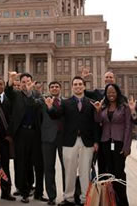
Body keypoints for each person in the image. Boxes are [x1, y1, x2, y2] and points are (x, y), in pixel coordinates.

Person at [46, 76, 99, 206]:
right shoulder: (66, 103)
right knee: (69, 171)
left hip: (87, 142)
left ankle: (84, 199)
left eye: (80, 84)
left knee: (85, 172)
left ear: (84, 86)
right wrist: (50, 108)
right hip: (69, 142)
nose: (78, 86)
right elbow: (55, 115)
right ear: (72, 87)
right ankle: (68, 198)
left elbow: (95, 124)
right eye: (75, 84)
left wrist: (96, 142)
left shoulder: (92, 103)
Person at [5, 72, 46, 203]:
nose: (25, 84)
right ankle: (24, 191)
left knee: (37, 163)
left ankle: (38, 191)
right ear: (20, 83)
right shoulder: (16, 95)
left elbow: (37, 105)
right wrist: (11, 80)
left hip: (35, 133)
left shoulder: (37, 95)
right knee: (21, 162)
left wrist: (29, 94)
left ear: (32, 83)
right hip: (21, 133)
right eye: (23, 82)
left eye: (28, 82)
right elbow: (8, 91)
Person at [92, 83, 133, 206]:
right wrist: (98, 111)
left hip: (119, 143)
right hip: (105, 142)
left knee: (119, 173)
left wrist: (127, 146)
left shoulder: (124, 107)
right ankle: (111, 201)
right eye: (108, 92)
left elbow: (128, 127)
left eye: (113, 92)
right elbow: (98, 121)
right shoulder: (103, 106)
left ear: (117, 93)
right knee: (108, 173)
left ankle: (123, 202)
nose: (111, 94)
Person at [41, 81, 65, 205]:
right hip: (47, 138)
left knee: (66, 168)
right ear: (49, 89)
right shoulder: (42, 102)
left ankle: (68, 195)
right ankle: (51, 196)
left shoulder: (65, 102)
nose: (54, 88)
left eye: (56, 87)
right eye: (52, 87)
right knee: (49, 168)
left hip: (64, 139)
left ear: (60, 89)